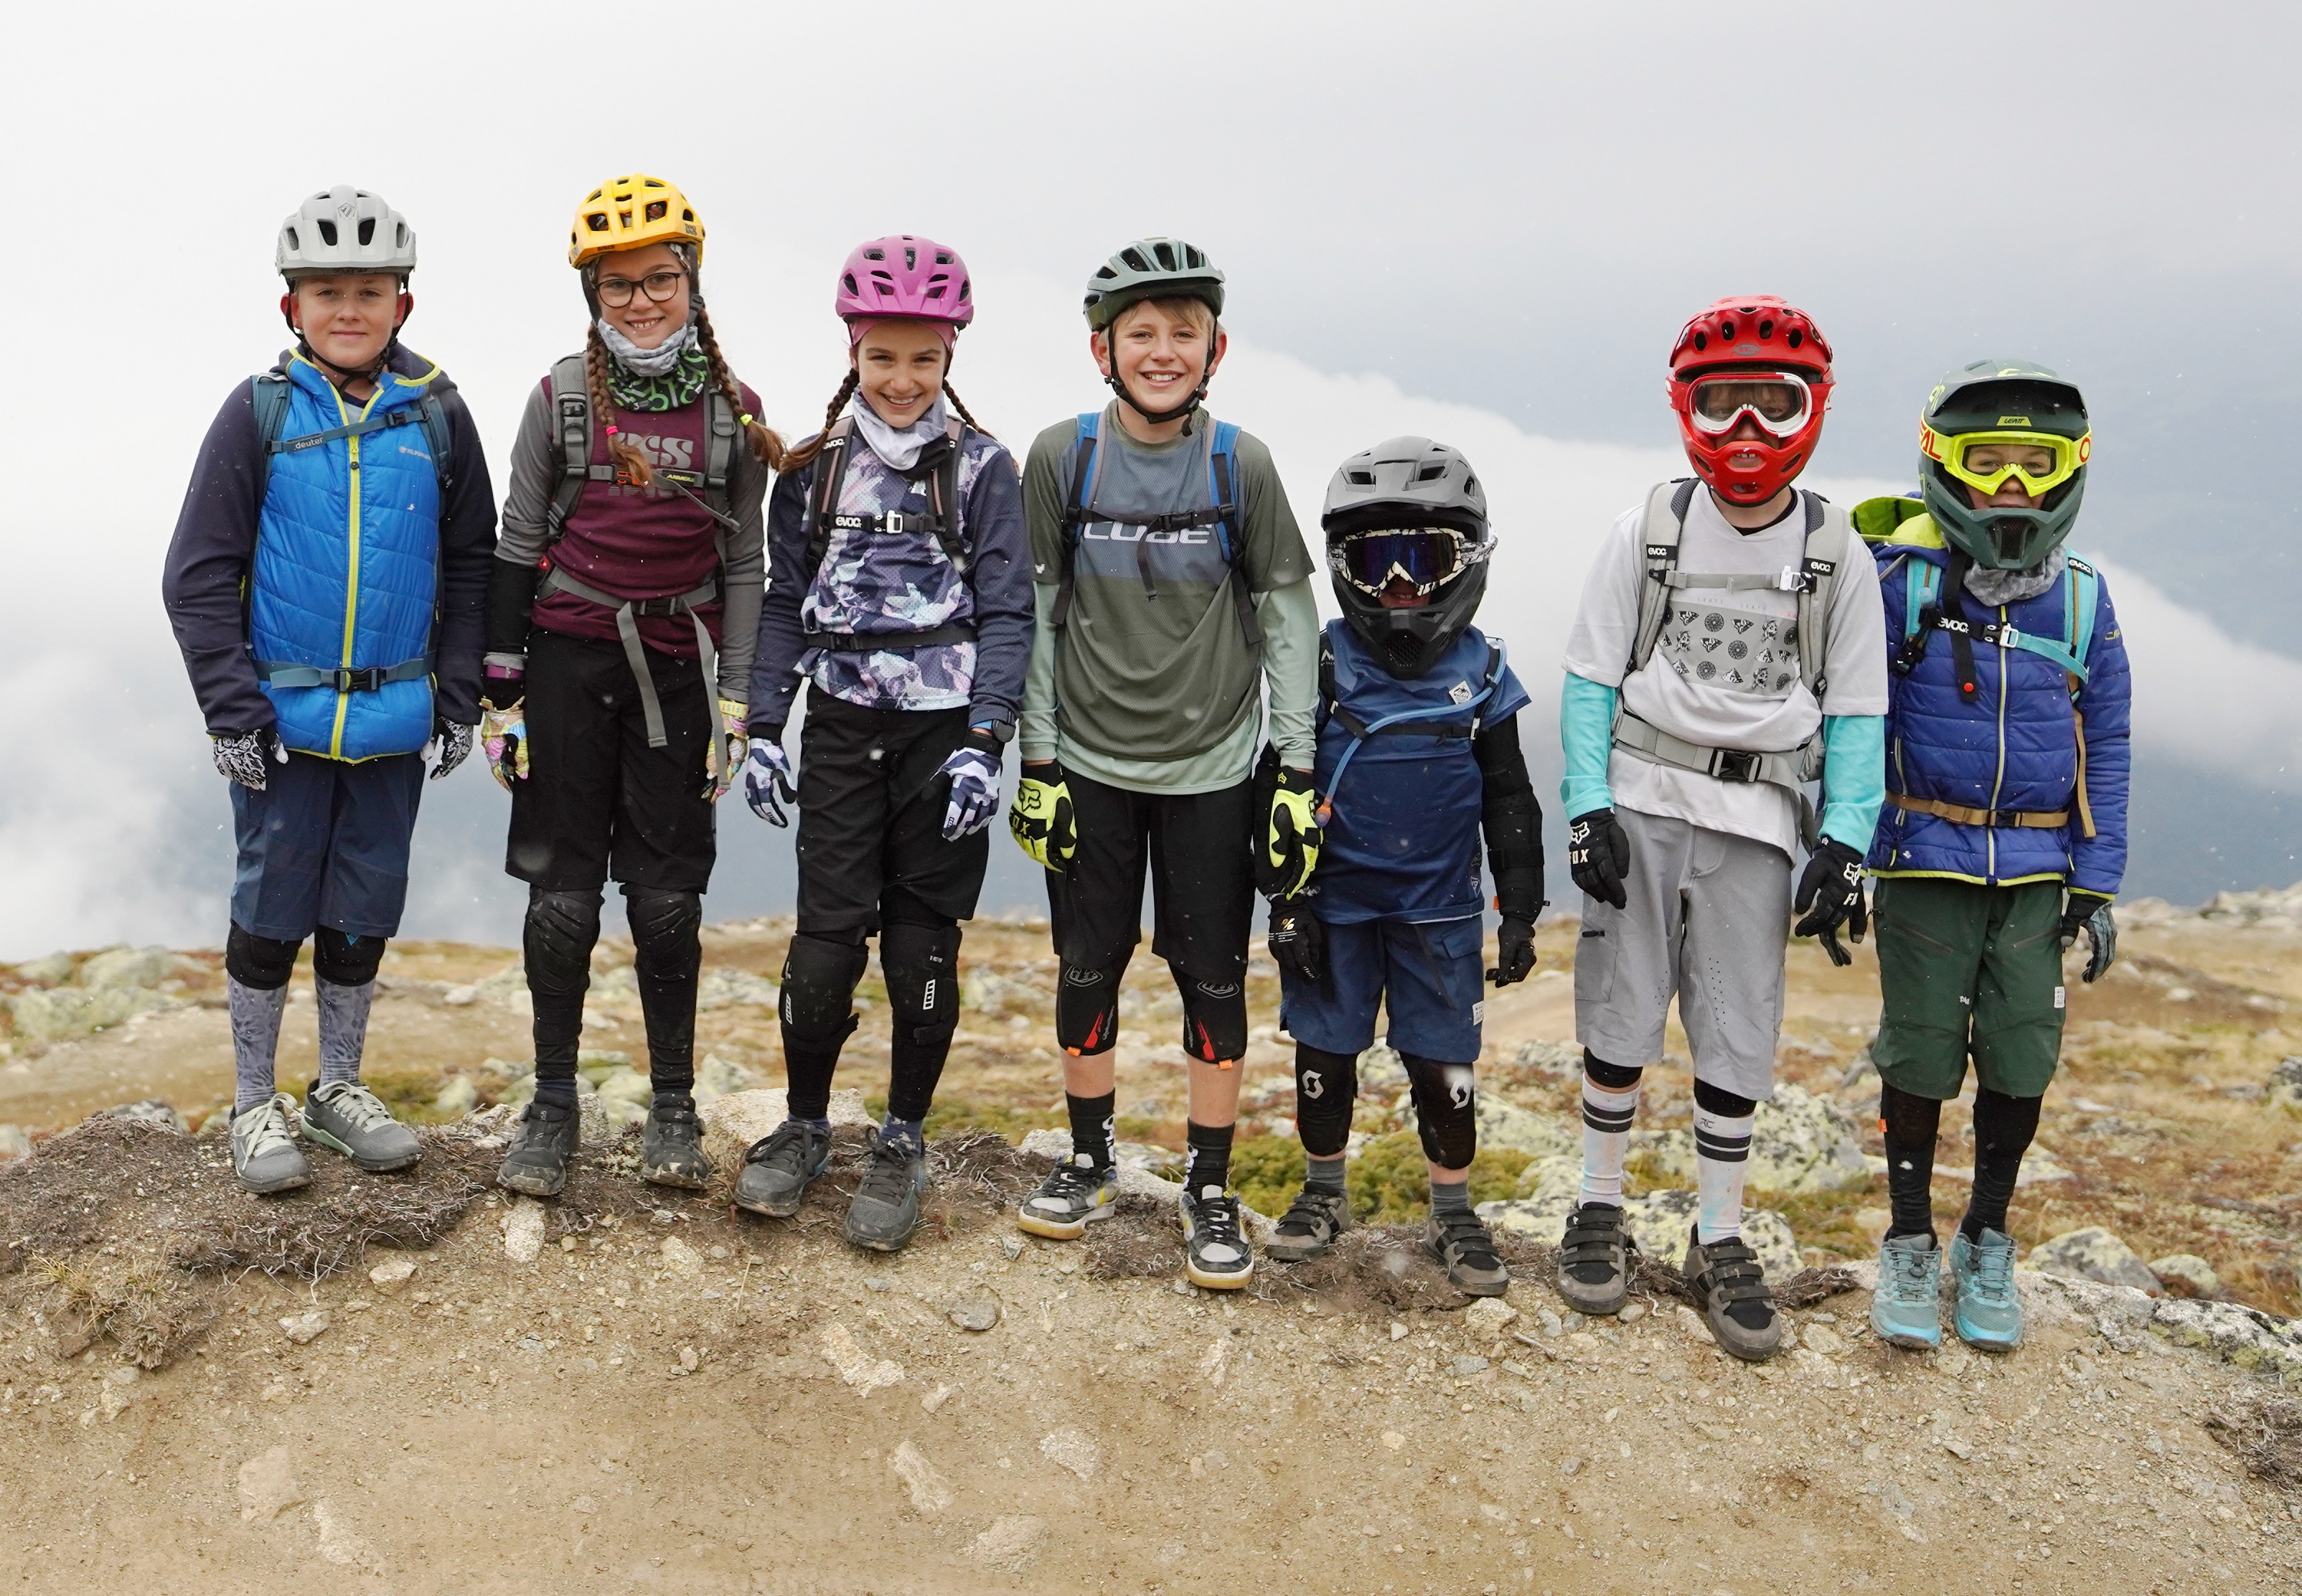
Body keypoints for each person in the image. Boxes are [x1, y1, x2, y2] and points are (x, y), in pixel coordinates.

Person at [1553, 297, 1887, 1360]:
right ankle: (1598, 1207)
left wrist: (1844, 840)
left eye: (1772, 407)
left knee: (1737, 1025)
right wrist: (1585, 804)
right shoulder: (1648, 530)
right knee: (1620, 1008)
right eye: (1722, 405)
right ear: (1684, 408)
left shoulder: (1837, 552)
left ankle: (1722, 1234)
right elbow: (1591, 675)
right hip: (1645, 799)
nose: (1747, 433)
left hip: (1758, 820)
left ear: (1813, 410)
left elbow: (1859, 710)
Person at [163, 186, 496, 1195]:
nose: (347, 310)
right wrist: (230, 709)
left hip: (394, 717)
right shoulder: (257, 413)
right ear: (291, 308)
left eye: (367, 291)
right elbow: (195, 570)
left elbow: (474, 562)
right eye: (325, 292)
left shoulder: (438, 413)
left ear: (403, 303)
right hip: (282, 724)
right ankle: (253, 1099)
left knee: (361, 906)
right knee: (272, 907)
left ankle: (338, 1089)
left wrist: (460, 695)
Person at [1006, 238, 1321, 1291]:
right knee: (1086, 969)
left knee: (1213, 979)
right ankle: (1089, 1161)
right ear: (1103, 345)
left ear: (1214, 346)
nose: (1162, 350)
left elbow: (1285, 617)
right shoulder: (1062, 458)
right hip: (1088, 764)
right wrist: (1037, 760)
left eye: (1182, 332)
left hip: (1214, 771)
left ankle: (1210, 1188)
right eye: (1142, 332)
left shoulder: (1243, 464)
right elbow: (1041, 620)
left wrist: (1292, 770)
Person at [729, 236, 1031, 1251]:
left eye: (925, 361)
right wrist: (765, 727)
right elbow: (782, 601)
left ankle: (902, 1137)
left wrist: (988, 740)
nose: (903, 382)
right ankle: (806, 1123)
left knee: (923, 952)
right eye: (883, 358)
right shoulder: (813, 471)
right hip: (843, 727)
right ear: (853, 351)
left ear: (951, 358)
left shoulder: (985, 469)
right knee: (823, 949)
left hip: (944, 736)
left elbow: (1008, 612)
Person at [484, 174, 781, 1199]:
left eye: (660, 280)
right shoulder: (561, 398)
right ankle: (552, 1103)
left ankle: (673, 1104)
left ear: (694, 282)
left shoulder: (733, 412)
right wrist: (501, 695)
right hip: (568, 662)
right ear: (592, 297)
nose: (642, 302)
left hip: (679, 670)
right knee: (561, 902)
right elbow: (518, 544)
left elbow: (744, 564)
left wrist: (738, 697)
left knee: (665, 904)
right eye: (619, 287)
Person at [1855, 361, 2129, 1353]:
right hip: (1924, 863)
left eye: (2034, 464)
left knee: (2021, 1061)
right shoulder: (1897, 587)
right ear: (1943, 466)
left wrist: (2097, 882)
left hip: (2037, 877)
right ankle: (1908, 1241)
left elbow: (2111, 742)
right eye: (1986, 463)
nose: (2011, 488)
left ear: (2069, 472)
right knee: (1919, 1058)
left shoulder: (2086, 605)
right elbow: (1853, 724)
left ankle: (1988, 1238)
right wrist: (1847, 851)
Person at [1258, 437, 1545, 1296]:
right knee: (1324, 1056)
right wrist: (1285, 903)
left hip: (1441, 914)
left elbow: (1511, 797)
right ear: (1345, 568)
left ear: (1469, 561)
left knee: (1442, 1068)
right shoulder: (1318, 660)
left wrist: (1521, 909)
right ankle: (1321, 1194)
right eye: (1376, 562)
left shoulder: (1485, 668)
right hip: (1333, 908)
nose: (1400, 588)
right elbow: (1275, 788)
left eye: (1426, 560)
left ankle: (1454, 1212)